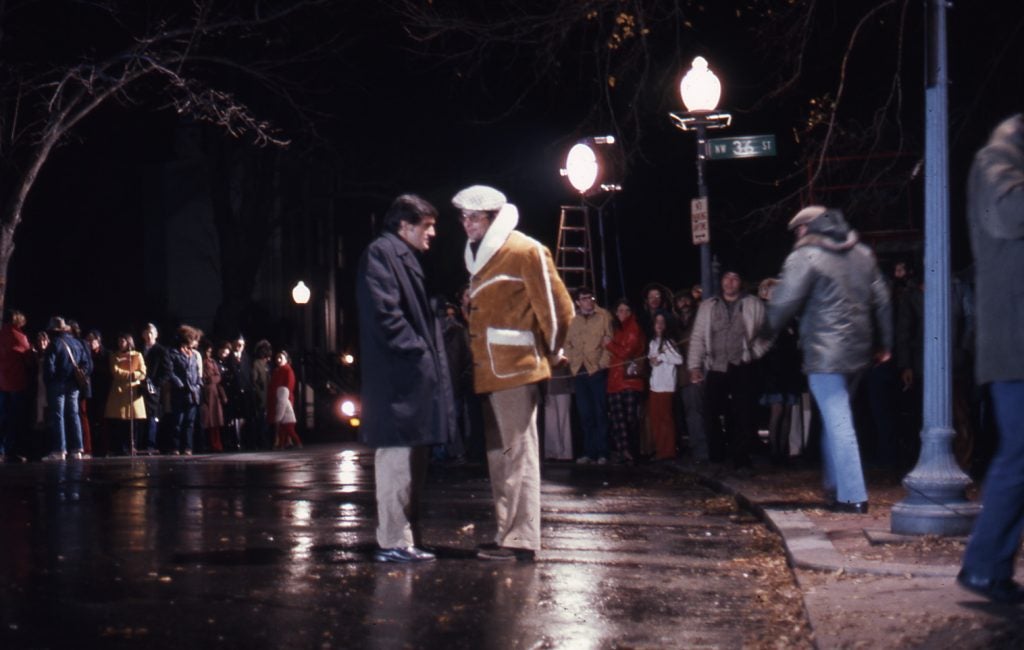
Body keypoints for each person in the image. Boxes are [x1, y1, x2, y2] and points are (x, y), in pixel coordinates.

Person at [455, 184, 573, 562]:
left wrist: (550, 351)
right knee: (501, 457)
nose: (467, 223)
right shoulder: (478, 256)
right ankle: (508, 536)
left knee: (517, 456)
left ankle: (522, 540)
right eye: (464, 217)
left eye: (475, 217)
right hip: (490, 370)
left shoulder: (526, 250)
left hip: (517, 369)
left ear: (493, 218)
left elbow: (559, 309)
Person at [759, 206, 892, 513]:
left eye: (798, 230)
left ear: (808, 228)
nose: (796, 235)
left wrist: (766, 330)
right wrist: (885, 343)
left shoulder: (806, 256)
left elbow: (785, 300)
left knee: (838, 420)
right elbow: (883, 300)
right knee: (837, 419)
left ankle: (853, 495)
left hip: (824, 352)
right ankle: (834, 486)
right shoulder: (862, 253)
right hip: (859, 353)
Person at [356, 193, 456, 564]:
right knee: (396, 460)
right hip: (398, 380)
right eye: (427, 227)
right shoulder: (382, 255)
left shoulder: (396, 256)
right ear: (405, 225)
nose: (432, 234)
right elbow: (386, 315)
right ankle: (394, 540)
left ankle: (402, 539)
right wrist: (419, 351)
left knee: (407, 461)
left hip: (406, 377)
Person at [957, 115, 1024, 604]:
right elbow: (1006, 215)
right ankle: (983, 566)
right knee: (1018, 457)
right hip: (1014, 344)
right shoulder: (996, 160)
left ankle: (987, 566)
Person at [688, 269, 767, 468]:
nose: (730, 282)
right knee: (710, 410)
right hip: (716, 364)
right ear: (721, 282)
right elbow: (697, 337)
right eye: (727, 278)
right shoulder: (708, 306)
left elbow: (767, 333)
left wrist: (754, 352)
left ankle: (740, 456)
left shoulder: (752, 304)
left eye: (735, 278)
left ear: (740, 282)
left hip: (741, 364)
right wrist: (694, 366)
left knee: (743, 411)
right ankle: (717, 455)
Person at [564, 287, 613, 465]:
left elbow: (609, 341)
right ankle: (588, 451)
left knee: (600, 411)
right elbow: (567, 343)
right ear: (578, 302)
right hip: (579, 370)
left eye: (590, 297)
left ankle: (603, 452)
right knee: (585, 414)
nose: (588, 301)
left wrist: (602, 364)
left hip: (596, 369)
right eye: (584, 298)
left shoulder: (603, 316)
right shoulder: (572, 320)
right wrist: (572, 360)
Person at [42, 317, 89, 461]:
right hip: (74, 384)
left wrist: (49, 381)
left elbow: (49, 368)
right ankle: (77, 449)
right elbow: (85, 364)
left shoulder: (54, 344)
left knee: (58, 416)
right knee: (74, 415)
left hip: (58, 383)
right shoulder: (77, 343)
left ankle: (60, 450)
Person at [605, 299, 646, 465]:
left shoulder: (633, 328)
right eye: (620, 310)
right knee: (618, 419)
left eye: (626, 310)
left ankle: (633, 451)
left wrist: (609, 345)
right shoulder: (617, 329)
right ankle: (624, 452)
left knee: (630, 419)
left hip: (629, 381)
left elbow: (626, 353)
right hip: (615, 381)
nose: (623, 314)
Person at [648, 311, 683, 460]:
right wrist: (653, 361)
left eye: (662, 322)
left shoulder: (669, 342)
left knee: (665, 419)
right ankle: (660, 449)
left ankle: (668, 451)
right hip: (655, 385)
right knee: (656, 418)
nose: (660, 325)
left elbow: (679, 359)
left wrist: (662, 357)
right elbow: (651, 359)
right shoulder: (653, 342)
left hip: (666, 385)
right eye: (657, 322)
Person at [104, 334, 147, 455]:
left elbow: (143, 371)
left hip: (133, 391)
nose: (120, 343)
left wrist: (136, 375)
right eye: (119, 341)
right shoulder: (114, 355)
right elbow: (115, 371)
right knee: (120, 421)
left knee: (133, 421)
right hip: (119, 392)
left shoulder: (137, 355)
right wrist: (130, 375)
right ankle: (120, 447)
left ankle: (132, 445)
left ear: (128, 342)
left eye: (122, 341)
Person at [0, 310, 32, 462]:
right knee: (14, 418)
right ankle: (9, 450)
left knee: (2, 417)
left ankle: (1, 450)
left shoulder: (2, 333)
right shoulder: (19, 336)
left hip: (2, 382)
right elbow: (28, 358)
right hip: (15, 383)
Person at [166, 325, 202, 455]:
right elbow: (170, 372)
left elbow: (197, 372)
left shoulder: (193, 354)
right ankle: (175, 447)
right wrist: (179, 384)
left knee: (190, 422)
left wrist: (198, 385)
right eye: (193, 339)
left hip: (193, 393)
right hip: (179, 393)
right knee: (178, 421)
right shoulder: (173, 353)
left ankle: (188, 447)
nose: (195, 342)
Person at [140, 323, 170, 454]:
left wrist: (156, 383)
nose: (148, 336)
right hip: (139, 386)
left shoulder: (161, 350)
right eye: (146, 333)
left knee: (152, 415)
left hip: (153, 388)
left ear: (156, 335)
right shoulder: (139, 349)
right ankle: (140, 444)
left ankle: (150, 445)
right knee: (140, 415)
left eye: (151, 333)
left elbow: (168, 370)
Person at [267, 350, 302, 450]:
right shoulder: (277, 371)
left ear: (286, 359)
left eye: (280, 358)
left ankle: (285, 442)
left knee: (284, 422)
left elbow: (288, 387)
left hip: (284, 399)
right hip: (277, 398)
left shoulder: (288, 370)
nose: (278, 360)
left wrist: (282, 397)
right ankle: (284, 442)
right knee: (282, 423)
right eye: (277, 358)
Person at [199, 341, 227, 452]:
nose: (208, 353)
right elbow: (203, 377)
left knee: (215, 422)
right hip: (205, 394)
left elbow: (218, 376)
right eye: (206, 351)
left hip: (214, 395)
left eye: (210, 351)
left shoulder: (213, 362)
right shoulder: (201, 362)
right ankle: (208, 444)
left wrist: (212, 379)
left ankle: (217, 444)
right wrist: (209, 379)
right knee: (207, 422)